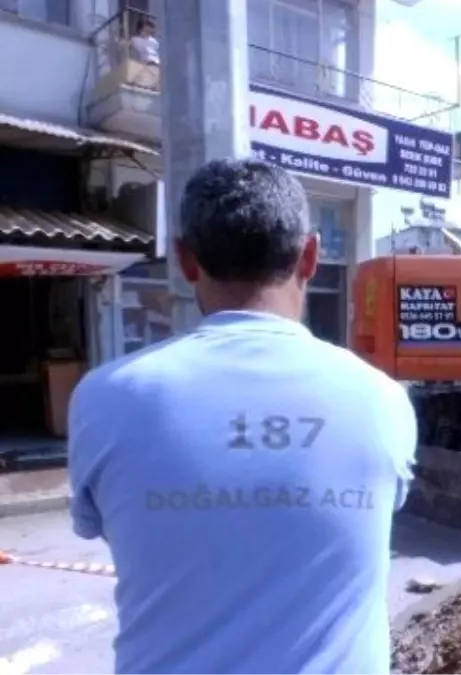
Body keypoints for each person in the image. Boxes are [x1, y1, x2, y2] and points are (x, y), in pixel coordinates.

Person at [67, 159, 416, 674]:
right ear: (312, 256)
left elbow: (107, 525)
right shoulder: (383, 400)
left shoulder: (105, 398)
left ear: (186, 260)